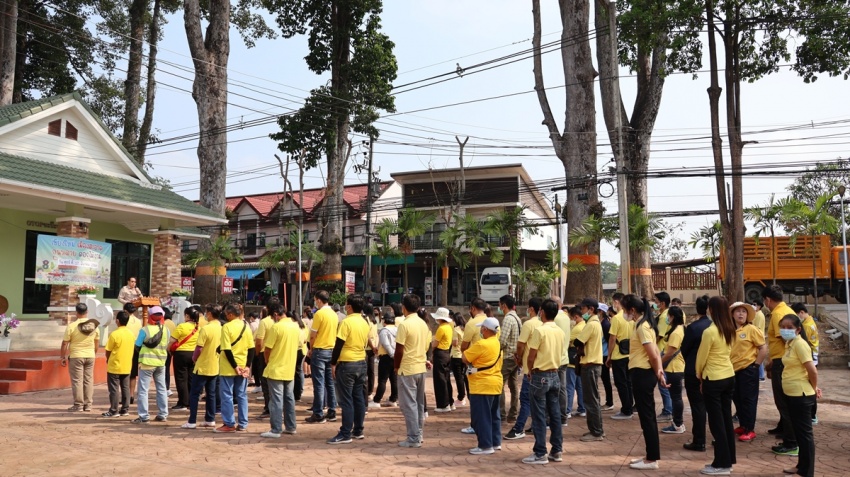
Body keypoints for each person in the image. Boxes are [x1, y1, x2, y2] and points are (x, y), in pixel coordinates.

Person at [624, 295, 669, 471]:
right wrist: (659, 372)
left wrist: (659, 372)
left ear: (632, 310)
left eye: (624, 309)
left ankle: (651, 459)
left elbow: (653, 354)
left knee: (647, 417)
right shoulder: (643, 324)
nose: (624, 313)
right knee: (646, 417)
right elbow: (656, 352)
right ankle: (650, 455)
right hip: (642, 373)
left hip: (643, 374)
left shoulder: (643, 326)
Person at [696, 296, 737, 475]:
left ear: (711, 310)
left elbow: (701, 358)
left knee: (716, 422)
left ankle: (721, 463)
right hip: (728, 375)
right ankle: (728, 459)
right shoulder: (730, 329)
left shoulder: (710, 331)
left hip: (713, 378)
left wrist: (699, 375)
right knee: (726, 419)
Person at [521, 298, 565, 464]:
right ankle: (557, 450)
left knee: (539, 415)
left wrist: (530, 371)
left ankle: (540, 452)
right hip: (555, 374)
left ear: (542, 312)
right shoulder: (559, 331)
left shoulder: (540, 331)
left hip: (540, 375)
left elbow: (531, 356)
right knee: (554, 414)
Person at [778, 313, 820, 477]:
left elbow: (812, 371)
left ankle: (807, 471)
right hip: (792, 394)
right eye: (783, 327)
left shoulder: (800, 344)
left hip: (801, 395)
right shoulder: (790, 344)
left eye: (790, 327)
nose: (785, 330)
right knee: (799, 433)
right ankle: (801, 465)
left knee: (804, 434)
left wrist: (814, 388)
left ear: (798, 329)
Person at [327, 294, 370, 444]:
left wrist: (333, 363)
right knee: (358, 397)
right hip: (361, 362)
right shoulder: (365, 322)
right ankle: (358, 430)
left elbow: (338, 345)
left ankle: (345, 433)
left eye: (346, 304)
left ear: (350, 307)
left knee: (346, 400)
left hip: (347, 364)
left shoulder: (346, 322)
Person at [762, 285, 799, 456]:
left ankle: (790, 442)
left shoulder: (778, 314)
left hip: (782, 362)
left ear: (768, 299)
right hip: (783, 361)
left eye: (765, 301)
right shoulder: (786, 310)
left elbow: (786, 341)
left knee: (783, 402)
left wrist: (773, 364)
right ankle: (784, 427)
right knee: (785, 401)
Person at [463, 316, 503, 455]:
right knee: (494, 415)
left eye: (482, 328)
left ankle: (485, 445)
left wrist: (471, 368)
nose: (480, 330)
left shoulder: (482, 344)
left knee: (482, 417)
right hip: (495, 383)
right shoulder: (498, 343)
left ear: (485, 329)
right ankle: (495, 442)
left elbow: (465, 358)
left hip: (481, 385)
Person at [395, 294, 431, 448]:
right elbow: (426, 346)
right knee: (418, 404)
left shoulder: (404, 324)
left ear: (404, 308)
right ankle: (418, 434)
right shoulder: (423, 323)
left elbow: (399, 349)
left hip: (407, 368)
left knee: (409, 405)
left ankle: (413, 437)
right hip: (420, 367)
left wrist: (396, 366)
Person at [260, 303, 301, 439]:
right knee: (289, 398)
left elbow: (267, 349)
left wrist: (267, 361)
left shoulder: (276, 327)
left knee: (276, 400)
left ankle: (276, 429)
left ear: (276, 314)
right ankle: (291, 426)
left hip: (276, 368)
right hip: (289, 368)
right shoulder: (295, 326)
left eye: (273, 317)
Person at [505, 297, 543, 441]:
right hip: (542, 368)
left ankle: (518, 428)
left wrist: (519, 358)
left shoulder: (529, 324)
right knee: (538, 401)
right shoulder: (543, 324)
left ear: (531, 309)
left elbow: (520, 345)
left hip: (530, 368)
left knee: (525, 399)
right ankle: (535, 425)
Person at [729, 301, 766, 442]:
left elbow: (763, 348)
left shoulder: (752, 329)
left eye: (743, 311)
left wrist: (756, 366)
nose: (741, 314)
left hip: (748, 370)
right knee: (737, 399)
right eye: (738, 311)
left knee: (748, 400)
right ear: (732, 314)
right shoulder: (729, 330)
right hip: (733, 371)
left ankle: (750, 429)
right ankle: (743, 425)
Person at [182, 304, 223, 429]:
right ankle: (210, 419)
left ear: (209, 314)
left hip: (202, 365)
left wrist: (194, 358)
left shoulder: (206, 328)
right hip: (215, 364)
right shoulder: (221, 327)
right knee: (211, 394)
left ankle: (192, 421)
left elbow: (199, 347)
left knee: (194, 394)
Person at [215, 304, 254, 433]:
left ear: (231, 314)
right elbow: (251, 348)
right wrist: (247, 366)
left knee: (227, 396)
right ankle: (243, 423)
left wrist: (234, 366)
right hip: (243, 365)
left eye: (226, 314)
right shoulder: (246, 326)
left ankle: (229, 423)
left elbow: (226, 349)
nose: (226, 316)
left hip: (228, 367)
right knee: (242, 395)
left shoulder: (226, 327)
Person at [682, 295, 712, 452]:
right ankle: (717, 438)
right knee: (714, 407)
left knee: (698, 406)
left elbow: (684, 349)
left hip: (694, 370)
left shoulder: (693, 328)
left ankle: (699, 441)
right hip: (713, 371)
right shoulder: (716, 326)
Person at [133, 306, 171, 424]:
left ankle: (144, 416)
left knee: (143, 390)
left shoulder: (145, 330)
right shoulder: (166, 330)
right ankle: (163, 414)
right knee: (162, 389)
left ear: (150, 316)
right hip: (161, 363)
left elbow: (137, 345)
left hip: (147, 363)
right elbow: (166, 344)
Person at [60, 303, 100, 412]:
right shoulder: (94, 326)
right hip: (90, 355)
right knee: (88, 380)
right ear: (87, 312)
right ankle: (88, 405)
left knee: (77, 381)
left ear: (76, 313)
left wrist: (62, 356)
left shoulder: (72, 326)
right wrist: (93, 353)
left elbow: (65, 343)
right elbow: (97, 342)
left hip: (76, 356)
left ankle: (78, 405)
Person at [306, 290, 338, 424]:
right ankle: (332, 411)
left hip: (319, 350)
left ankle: (318, 413)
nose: (315, 303)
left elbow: (313, 335)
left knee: (319, 383)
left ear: (319, 300)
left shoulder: (319, 314)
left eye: (315, 300)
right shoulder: (334, 314)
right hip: (331, 350)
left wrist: (311, 349)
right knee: (330, 382)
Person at [576, 297, 604, 442]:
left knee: (591, 400)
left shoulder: (591, 324)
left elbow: (578, 341)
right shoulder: (595, 323)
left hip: (590, 365)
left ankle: (596, 432)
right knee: (593, 399)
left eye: (583, 309)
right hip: (593, 364)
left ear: (591, 309)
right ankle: (597, 429)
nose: (582, 311)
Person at [459, 297, 488, 434]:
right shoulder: (491, 321)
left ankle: (475, 424)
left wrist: (466, 358)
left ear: (473, 308)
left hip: (473, 364)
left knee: (473, 393)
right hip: (489, 363)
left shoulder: (471, 323)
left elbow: (464, 346)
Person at [791, 303, 820, 425]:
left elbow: (803, 342)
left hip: (809, 357)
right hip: (813, 356)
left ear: (801, 312)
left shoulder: (806, 326)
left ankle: (812, 414)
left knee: (810, 387)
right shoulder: (811, 321)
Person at [608, 292, 634, 420]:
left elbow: (612, 338)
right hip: (630, 354)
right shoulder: (632, 317)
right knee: (629, 382)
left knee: (621, 383)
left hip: (618, 355)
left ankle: (626, 409)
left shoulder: (616, 319)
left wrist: (609, 355)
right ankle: (630, 406)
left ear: (617, 302)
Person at [102, 311, 134, 417]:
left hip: (115, 365)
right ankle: (125, 409)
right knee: (125, 388)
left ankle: (114, 410)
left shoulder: (114, 334)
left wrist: (108, 359)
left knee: (114, 389)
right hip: (127, 364)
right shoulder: (131, 334)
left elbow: (108, 350)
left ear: (117, 321)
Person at [660, 306, 686, 434]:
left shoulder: (676, 332)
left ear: (673, 317)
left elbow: (670, 353)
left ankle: (678, 424)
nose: (667, 318)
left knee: (676, 397)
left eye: (668, 316)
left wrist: (658, 363)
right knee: (676, 397)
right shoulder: (680, 329)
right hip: (676, 366)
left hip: (674, 367)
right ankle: (678, 423)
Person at [169, 306, 200, 411]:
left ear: (187, 316)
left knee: (181, 379)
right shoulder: (198, 327)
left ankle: (183, 402)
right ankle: (191, 402)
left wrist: (169, 350)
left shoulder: (182, 326)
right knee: (191, 378)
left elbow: (172, 340)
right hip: (194, 354)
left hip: (181, 354)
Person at [498, 294, 522, 422]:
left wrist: (496, 349)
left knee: (499, 384)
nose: (499, 307)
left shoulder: (508, 319)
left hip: (508, 356)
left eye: (500, 305)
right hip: (515, 356)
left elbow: (502, 340)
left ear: (504, 305)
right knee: (513, 386)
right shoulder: (517, 318)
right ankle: (513, 414)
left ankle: (501, 413)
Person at [254, 299, 279, 419]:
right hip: (278, 354)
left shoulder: (264, 322)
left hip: (265, 353)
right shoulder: (282, 321)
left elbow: (259, 341)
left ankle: (268, 408)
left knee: (265, 382)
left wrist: (258, 354)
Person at [370, 312, 398, 408]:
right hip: (395, 357)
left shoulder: (384, 331)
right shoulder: (398, 329)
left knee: (382, 380)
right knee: (394, 380)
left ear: (385, 320)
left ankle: (377, 400)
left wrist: (391, 354)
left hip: (386, 357)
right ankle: (393, 399)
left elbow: (386, 344)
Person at [653, 291, 674, 422]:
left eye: (656, 301)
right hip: (663, 349)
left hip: (661, 350)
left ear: (662, 303)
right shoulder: (664, 314)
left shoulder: (664, 316)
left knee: (662, 382)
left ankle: (668, 411)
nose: (655, 304)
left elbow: (659, 335)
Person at [431, 307, 455, 412]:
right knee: (446, 379)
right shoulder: (449, 327)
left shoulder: (441, 328)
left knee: (439, 380)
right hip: (446, 353)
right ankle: (450, 402)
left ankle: (443, 404)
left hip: (440, 354)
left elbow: (435, 344)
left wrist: (431, 352)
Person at [565, 306, 585, 420]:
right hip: (580, 360)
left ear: (575, 317)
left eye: (571, 318)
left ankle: (567, 410)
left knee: (570, 386)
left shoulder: (577, 329)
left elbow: (567, 340)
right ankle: (582, 408)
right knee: (579, 385)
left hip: (572, 359)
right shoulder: (585, 325)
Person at [450, 311, 469, 407]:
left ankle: (461, 397)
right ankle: (467, 396)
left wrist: (449, 340)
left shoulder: (456, 329)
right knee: (465, 376)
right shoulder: (466, 328)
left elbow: (455, 343)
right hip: (464, 355)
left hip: (456, 355)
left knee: (458, 378)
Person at [598, 303, 614, 411]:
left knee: (606, 379)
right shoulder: (601, 323)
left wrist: (609, 356)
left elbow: (609, 341)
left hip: (604, 355)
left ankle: (609, 402)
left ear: (601, 312)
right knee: (604, 379)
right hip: (601, 354)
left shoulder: (605, 325)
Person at [752, 299, 767, 381]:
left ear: (759, 306)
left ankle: (761, 375)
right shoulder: (756, 314)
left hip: (758, 337)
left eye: (755, 304)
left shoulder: (759, 315)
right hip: (758, 336)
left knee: (758, 356)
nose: (753, 306)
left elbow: (757, 327)